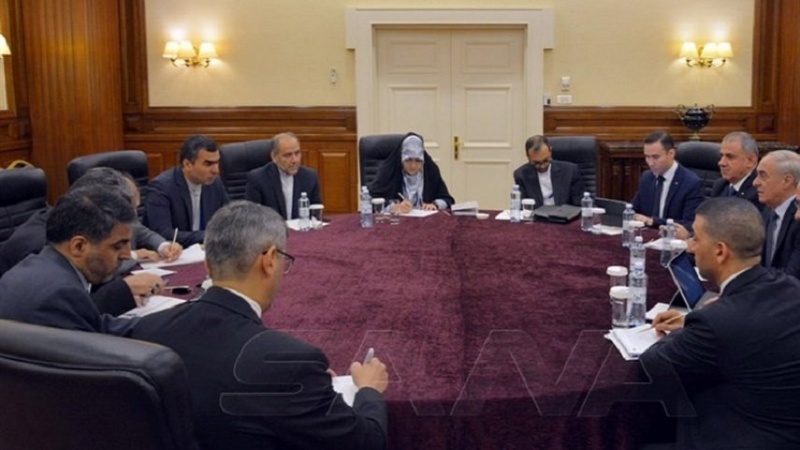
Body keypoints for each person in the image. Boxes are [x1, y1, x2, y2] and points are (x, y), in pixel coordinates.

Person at [131, 201, 388, 450]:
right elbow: (367, 442)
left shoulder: (146, 330)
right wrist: (368, 390)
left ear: (207, 264)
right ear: (270, 260)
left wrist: (308, 386)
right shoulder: (288, 363)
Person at [642, 197, 800, 449]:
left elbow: (653, 364)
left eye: (696, 239)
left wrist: (692, 325)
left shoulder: (715, 321)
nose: (690, 247)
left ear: (720, 251)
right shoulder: (789, 286)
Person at [0, 168, 176, 314]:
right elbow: (68, 316)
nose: (125, 254)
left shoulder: (66, 225)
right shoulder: (40, 246)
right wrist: (119, 294)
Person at [0, 186, 137, 335]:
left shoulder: (33, 266)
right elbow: (96, 342)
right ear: (78, 246)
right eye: (118, 246)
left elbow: (97, 324)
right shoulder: (60, 294)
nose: (127, 255)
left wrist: (153, 324)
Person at [145, 134, 229, 247]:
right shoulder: (161, 188)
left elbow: (228, 220)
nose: (216, 170)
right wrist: (210, 236)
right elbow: (163, 233)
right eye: (208, 164)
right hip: (175, 252)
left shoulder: (215, 183)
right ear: (187, 164)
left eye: (217, 162)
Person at [631, 131, 704, 229]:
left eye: (655, 157)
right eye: (647, 157)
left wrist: (653, 221)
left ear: (671, 153)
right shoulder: (647, 177)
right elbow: (633, 210)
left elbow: (689, 224)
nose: (650, 163)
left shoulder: (691, 183)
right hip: (646, 234)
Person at [369, 133, 454, 213]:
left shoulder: (431, 171)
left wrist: (434, 204)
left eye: (418, 160)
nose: (413, 166)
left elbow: (447, 199)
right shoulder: (388, 171)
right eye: (408, 160)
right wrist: (393, 207)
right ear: (401, 158)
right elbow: (370, 200)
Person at [244, 132, 322, 220]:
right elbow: (251, 218)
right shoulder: (258, 179)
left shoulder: (310, 177)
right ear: (274, 157)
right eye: (288, 155)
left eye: (297, 153)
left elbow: (316, 213)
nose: (294, 160)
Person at [752, 149, 800, 278]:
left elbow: (792, 277)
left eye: (763, 175)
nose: (755, 183)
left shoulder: (798, 219)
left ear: (786, 181)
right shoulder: (767, 210)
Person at [512, 135, 584, 207]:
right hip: (537, 214)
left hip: (564, 213)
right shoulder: (521, 175)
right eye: (536, 163)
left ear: (550, 151)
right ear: (528, 156)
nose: (542, 166)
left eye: (546, 160)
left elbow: (578, 205)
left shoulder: (570, 171)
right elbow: (522, 207)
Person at [710, 131, 761, 208]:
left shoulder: (759, 190)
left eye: (730, 157)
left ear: (750, 160)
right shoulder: (720, 186)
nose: (721, 163)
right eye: (721, 156)